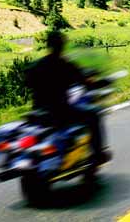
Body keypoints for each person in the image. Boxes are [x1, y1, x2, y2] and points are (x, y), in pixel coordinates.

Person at [25, 30, 109, 165]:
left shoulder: (36, 65)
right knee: (94, 115)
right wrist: (100, 82)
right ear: (62, 45)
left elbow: (28, 82)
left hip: (38, 111)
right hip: (60, 112)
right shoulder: (65, 65)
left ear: (48, 45)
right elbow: (85, 81)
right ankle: (98, 154)